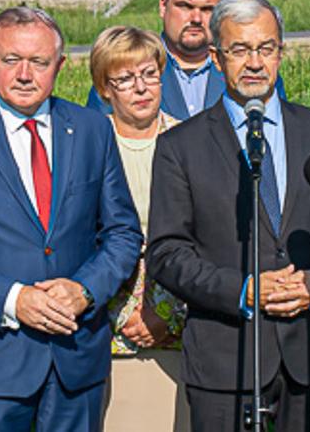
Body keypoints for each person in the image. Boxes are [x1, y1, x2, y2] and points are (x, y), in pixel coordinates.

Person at [146, 0, 310, 432]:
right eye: (240, 50)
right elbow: (167, 252)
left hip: (309, 353)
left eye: (265, 48)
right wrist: (243, 290)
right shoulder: (181, 146)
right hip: (225, 357)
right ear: (216, 57)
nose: (255, 62)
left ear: (280, 53)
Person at [0, 7, 143, 431]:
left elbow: (121, 232)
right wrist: (11, 299)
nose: (24, 74)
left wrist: (85, 290)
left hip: (75, 364)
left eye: (38, 62)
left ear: (59, 65)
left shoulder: (93, 130)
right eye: (11, 60)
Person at [90, 26, 189, 432]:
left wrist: (169, 314)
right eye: (126, 79)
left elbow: (211, 240)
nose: (141, 88)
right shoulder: (88, 143)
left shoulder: (192, 139)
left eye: (150, 74)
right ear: (104, 88)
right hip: (104, 331)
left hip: (179, 327)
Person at [88, 0, 235, 120]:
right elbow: (96, 135)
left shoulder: (236, 70)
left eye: (208, 9)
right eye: (185, 6)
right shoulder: (121, 70)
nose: (196, 19)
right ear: (163, 6)